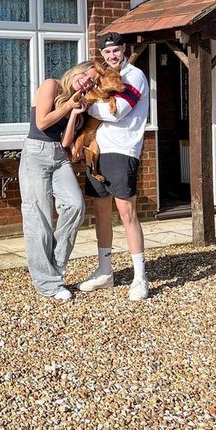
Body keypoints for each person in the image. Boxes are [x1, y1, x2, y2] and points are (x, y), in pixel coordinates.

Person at [77, 32, 150, 301]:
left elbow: (116, 112)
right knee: (101, 212)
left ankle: (140, 277)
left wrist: (88, 107)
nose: (112, 56)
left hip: (123, 150)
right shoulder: (104, 75)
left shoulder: (134, 76)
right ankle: (105, 272)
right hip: (97, 150)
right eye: (107, 53)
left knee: (126, 213)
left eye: (116, 51)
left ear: (124, 50)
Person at [19, 61, 97, 302]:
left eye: (91, 81)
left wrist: (74, 114)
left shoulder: (77, 102)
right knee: (38, 218)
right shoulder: (51, 85)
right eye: (86, 75)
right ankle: (47, 284)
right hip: (35, 153)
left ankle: (55, 265)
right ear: (76, 71)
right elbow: (42, 123)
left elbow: (65, 143)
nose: (86, 82)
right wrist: (68, 106)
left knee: (75, 206)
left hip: (58, 156)